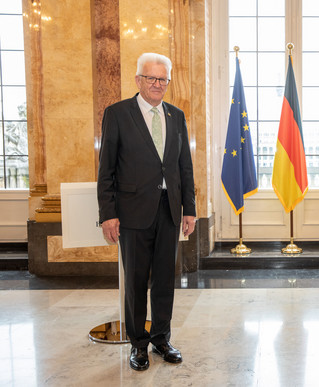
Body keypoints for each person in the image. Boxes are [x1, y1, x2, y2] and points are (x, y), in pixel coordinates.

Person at [97, 53, 196, 371]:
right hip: (133, 213)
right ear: (138, 79)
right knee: (136, 282)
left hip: (169, 212)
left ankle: (161, 338)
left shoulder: (176, 116)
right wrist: (108, 213)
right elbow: (106, 169)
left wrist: (189, 210)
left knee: (166, 280)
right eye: (151, 78)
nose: (157, 84)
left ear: (168, 82)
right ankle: (138, 344)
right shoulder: (117, 114)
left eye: (163, 79)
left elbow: (185, 167)